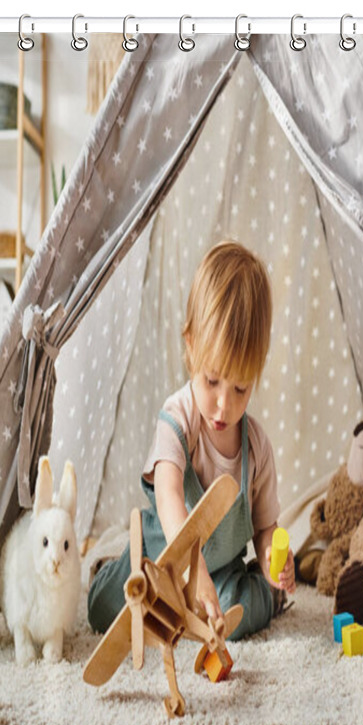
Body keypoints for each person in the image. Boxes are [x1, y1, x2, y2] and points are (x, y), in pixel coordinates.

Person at [87, 241, 295, 641]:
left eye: (240, 388)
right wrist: (191, 570)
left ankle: (269, 595)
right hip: (159, 562)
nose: (223, 406)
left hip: (220, 576)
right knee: (105, 610)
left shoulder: (256, 447)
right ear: (190, 346)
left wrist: (273, 560)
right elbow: (167, 496)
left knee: (235, 617)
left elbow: (266, 527)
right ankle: (110, 567)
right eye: (212, 380)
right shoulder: (178, 419)